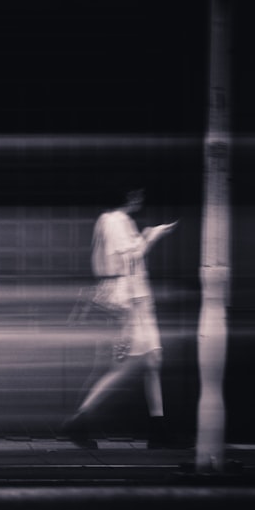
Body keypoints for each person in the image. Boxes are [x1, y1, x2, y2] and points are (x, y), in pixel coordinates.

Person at [60, 187, 178, 449]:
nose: (139, 197)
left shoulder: (113, 220)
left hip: (133, 299)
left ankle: (158, 429)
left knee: (151, 362)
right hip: (131, 301)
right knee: (124, 367)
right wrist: (152, 236)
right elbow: (130, 259)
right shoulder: (115, 221)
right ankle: (80, 421)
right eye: (134, 193)